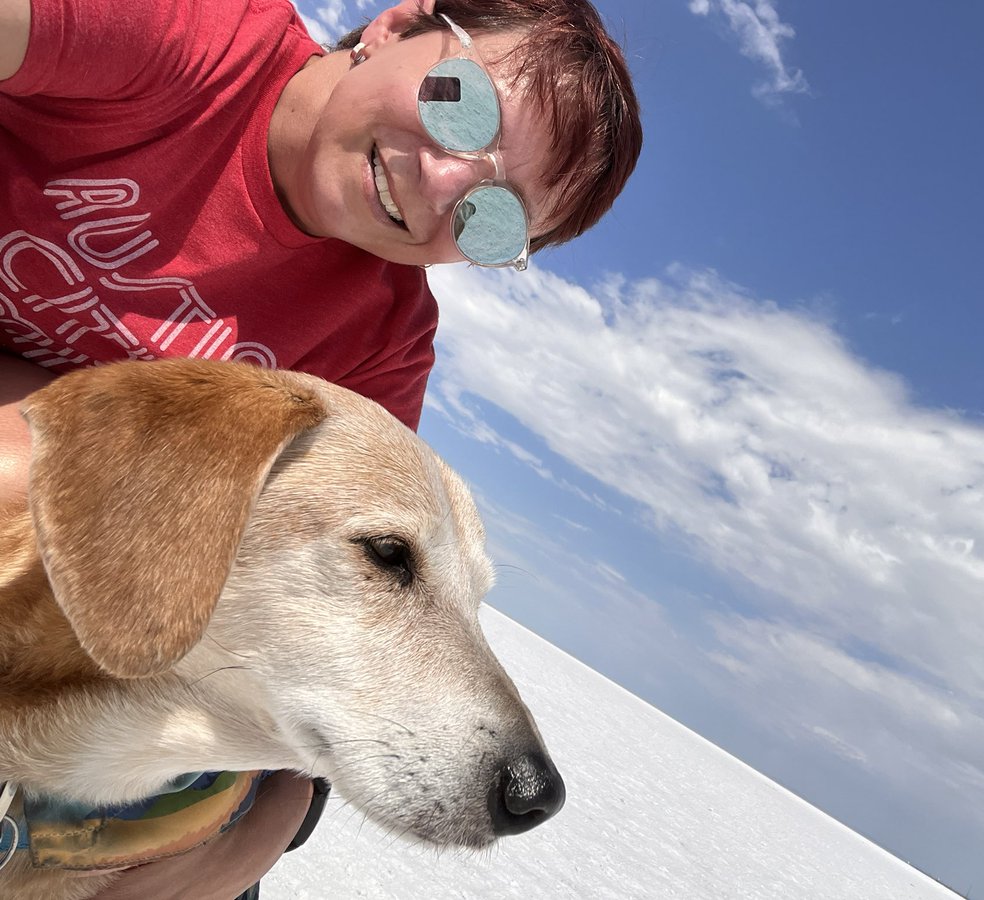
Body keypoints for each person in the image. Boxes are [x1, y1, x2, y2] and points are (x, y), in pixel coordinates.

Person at [0, 0, 642, 894]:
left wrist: (256, 838)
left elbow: (294, 625)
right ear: (395, 27)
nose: (444, 185)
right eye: (466, 108)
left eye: (495, 218)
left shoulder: (380, 345)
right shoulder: (186, 38)